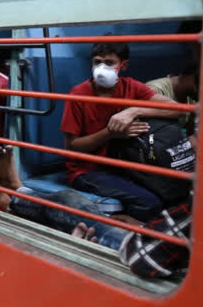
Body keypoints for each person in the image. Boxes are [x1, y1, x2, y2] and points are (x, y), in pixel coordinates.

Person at [60, 41, 181, 222]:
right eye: (97, 62)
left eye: (109, 63)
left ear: (123, 66)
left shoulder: (131, 87)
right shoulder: (78, 94)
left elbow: (178, 109)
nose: (101, 68)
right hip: (87, 171)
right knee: (150, 203)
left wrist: (135, 110)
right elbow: (72, 147)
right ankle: (118, 224)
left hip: (122, 166)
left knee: (173, 191)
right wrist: (110, 133)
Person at [0, 145, 128, 249]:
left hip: (131, 247)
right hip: (138, 241)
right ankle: (16, 191)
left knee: (67, 201)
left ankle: (13, 196)